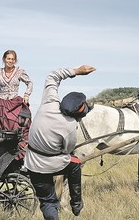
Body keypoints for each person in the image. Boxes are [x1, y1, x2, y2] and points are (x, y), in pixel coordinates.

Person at [24, 65, 96, 220]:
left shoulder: (49, 101)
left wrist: (77, 71)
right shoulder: (70, 126)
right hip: (51, 163)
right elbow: (68, 150)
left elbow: (52, 75)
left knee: (48, 202)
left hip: (32, 162)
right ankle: (76, 203)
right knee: (75, 163)